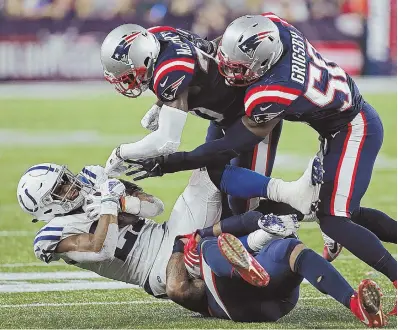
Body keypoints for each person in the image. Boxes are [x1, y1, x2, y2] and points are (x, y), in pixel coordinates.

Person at [122, 14, 397, 311]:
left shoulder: (273, 89)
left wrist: (171, 162)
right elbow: (217, 48)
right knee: (339, 210)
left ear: (263, 65)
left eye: (237, 68)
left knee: (334, 218)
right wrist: (164, 101)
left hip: (353, 128)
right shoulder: (272, 29)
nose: (228, 71)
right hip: (333, 125)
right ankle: (282, 222)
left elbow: (230, 145)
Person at [17, 157, 320, 298]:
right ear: (47, 207)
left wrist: (125, 204)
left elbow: (155, 207)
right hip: (156, 269)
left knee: (207, 174)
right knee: (226, 251)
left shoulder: (93, 184)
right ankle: (271, 239)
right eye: (61, 190)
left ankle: (295, 199)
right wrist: (109, 205)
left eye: (66, 179)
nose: (71, 186)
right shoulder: (52, 235)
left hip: (168, 232)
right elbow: (101, 248)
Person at [100, 24, 283, 215]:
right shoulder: (159, 35)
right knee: (214, 185)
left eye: (128, 76)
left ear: (145, 58)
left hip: (251, 117)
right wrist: (160, 104)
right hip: (224, 115)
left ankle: (292, 217)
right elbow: (207, 50)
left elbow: (166, 142)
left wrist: (121, 152)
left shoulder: (171, 70)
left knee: (245, 203)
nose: (126, 83)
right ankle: (227, 239)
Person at [165, 211, 387, 327]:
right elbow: (176, 289)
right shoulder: (194, 253)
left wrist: (181, 244)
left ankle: (244, 267)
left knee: (290, 248)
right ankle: (353, 303)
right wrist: (190, 240)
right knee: (293, 250)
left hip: (240, 300)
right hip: (273, 304)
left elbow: (176, 288)